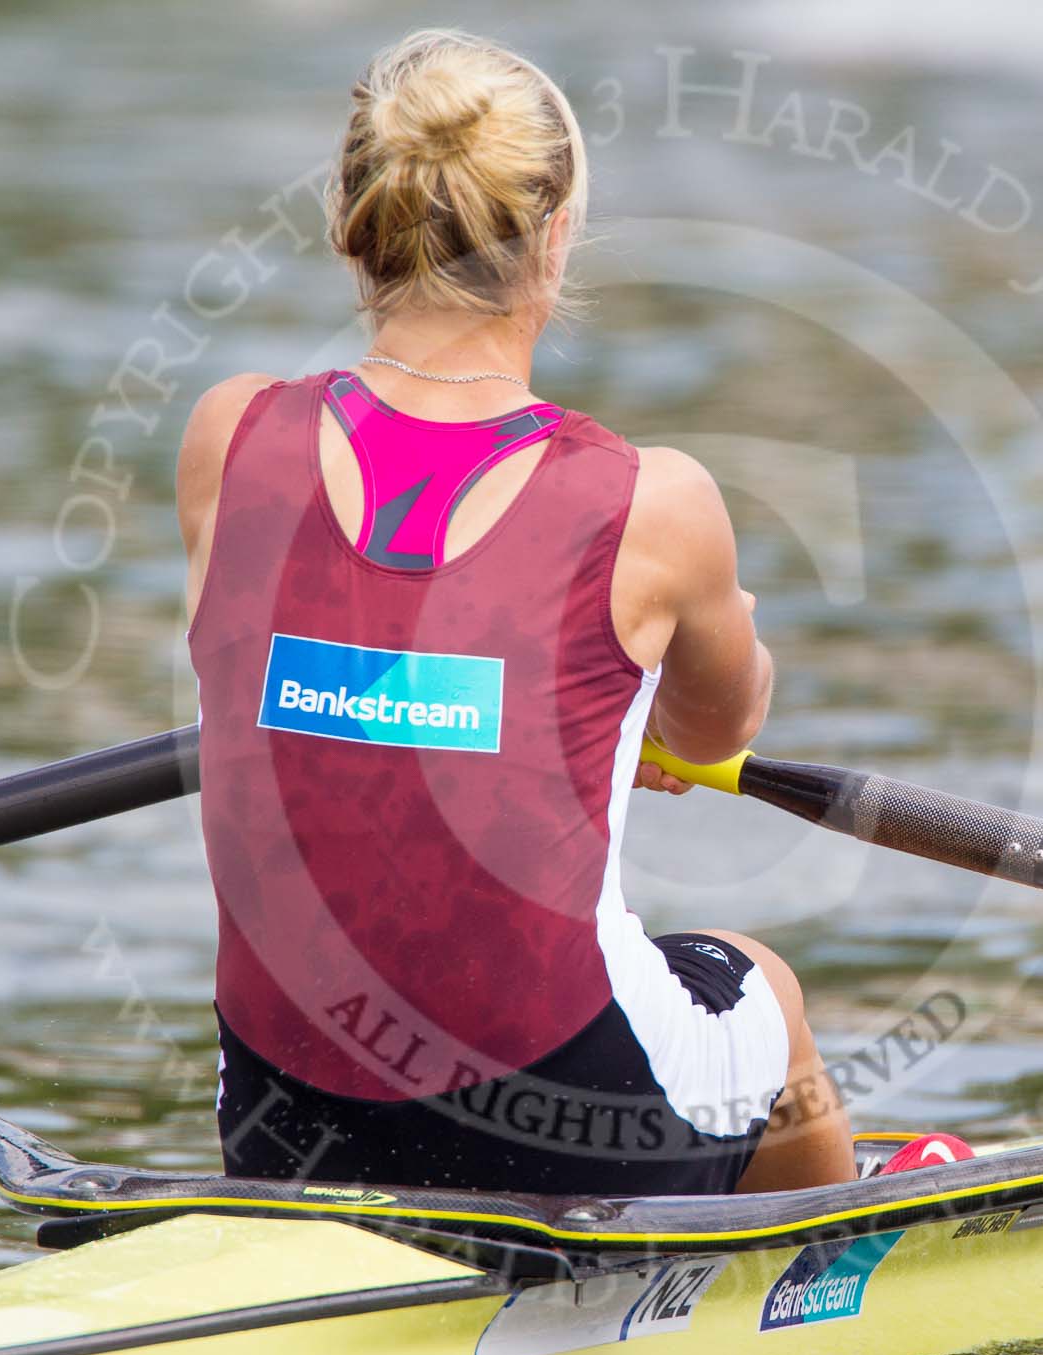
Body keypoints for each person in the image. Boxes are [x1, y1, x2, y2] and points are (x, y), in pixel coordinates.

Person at [175, 28, 854, 1197]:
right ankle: (826, 1270)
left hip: (283, 1119)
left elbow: (351, 653)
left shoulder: (228, 436)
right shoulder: (656, 503)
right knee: (758, 984)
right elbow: (711, 736)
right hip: (552, 1125)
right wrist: (668, 674)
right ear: (553, 238)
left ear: (350, 225)